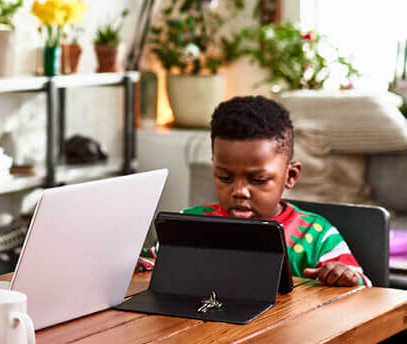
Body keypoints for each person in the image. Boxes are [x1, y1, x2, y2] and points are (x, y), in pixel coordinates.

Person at [142, 96, 370, 287]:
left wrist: (344, 276)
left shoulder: (316, 235)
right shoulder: (188, 224)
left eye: (258, 179)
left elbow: (362, 288)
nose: (239, 191)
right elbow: (149, 265)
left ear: (290, 176)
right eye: (224, 177)